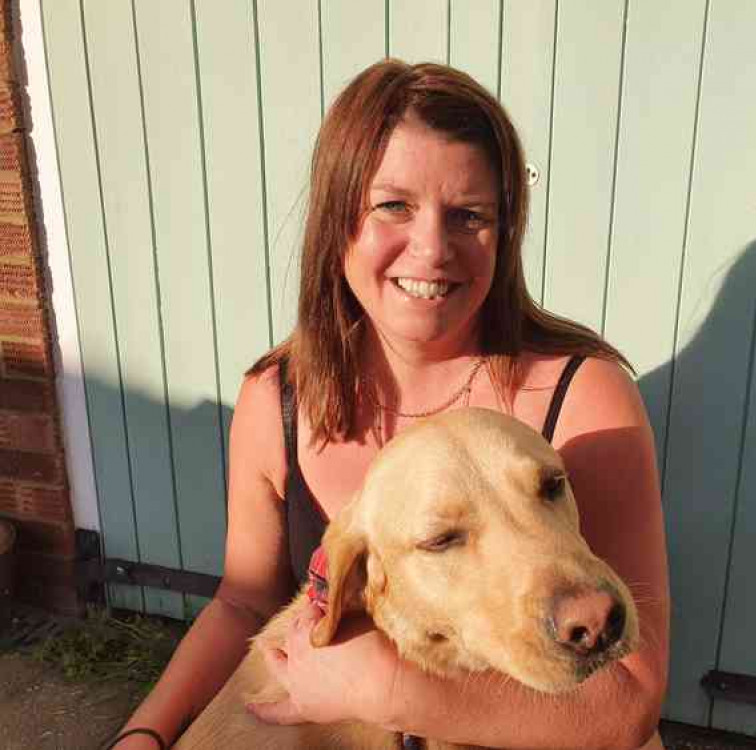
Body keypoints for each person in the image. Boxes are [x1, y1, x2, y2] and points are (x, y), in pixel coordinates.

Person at [111, 59, 669, 750]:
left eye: (470, 214)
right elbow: (243, 602)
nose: (433, 249)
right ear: (337, 217)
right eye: (393, 206)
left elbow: (626, 709)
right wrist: (144, 734)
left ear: (506, 230)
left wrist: (384, 691)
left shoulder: (585, 395)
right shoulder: (276, 397)